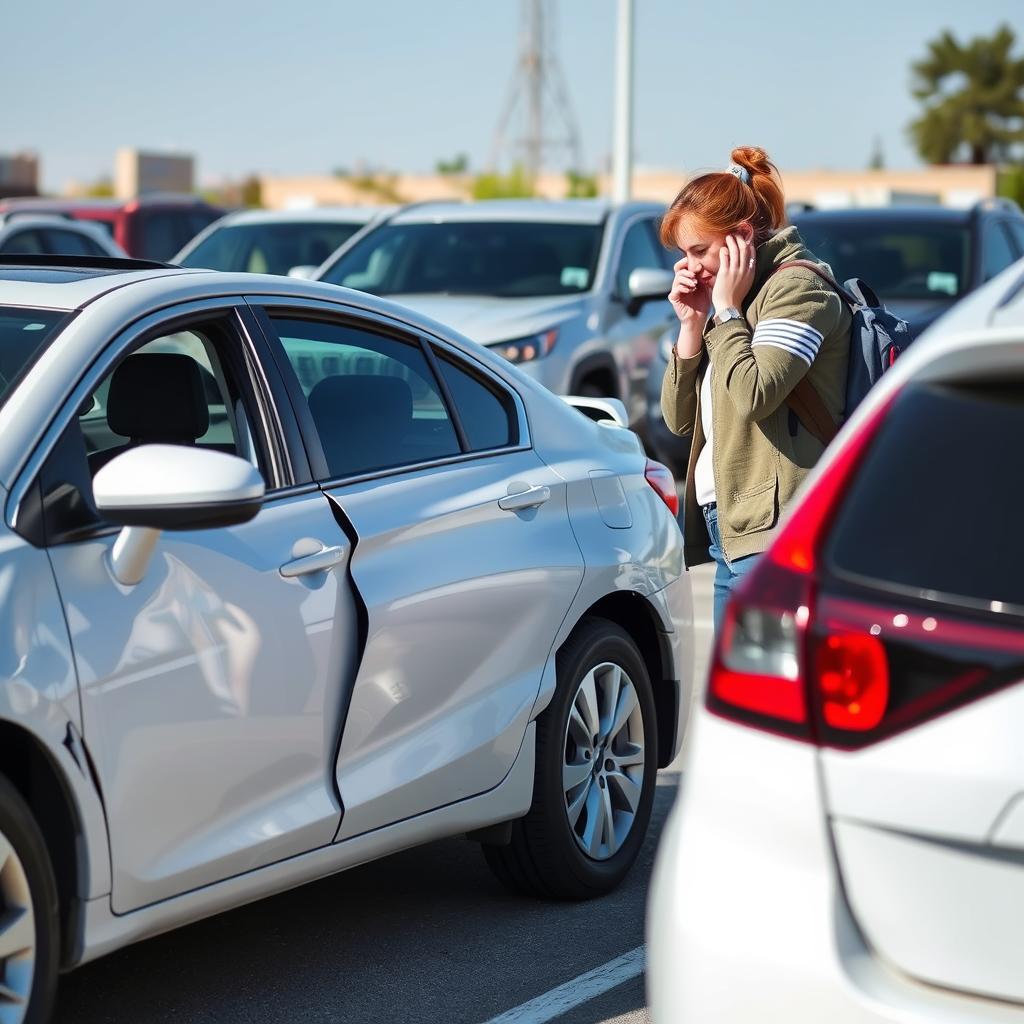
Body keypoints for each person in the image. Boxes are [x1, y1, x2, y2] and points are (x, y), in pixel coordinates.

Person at [659, 146, 851, 631]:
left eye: (698, 251)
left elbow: (755, 394)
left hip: (777, 530)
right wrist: (692, 323)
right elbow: (678, 422)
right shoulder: (735, 298)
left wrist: (726, 312)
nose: (689, 267)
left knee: (768, 675)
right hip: (732, 529)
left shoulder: (796, 290)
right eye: (683, 255)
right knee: (740, 674)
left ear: (741, 236)